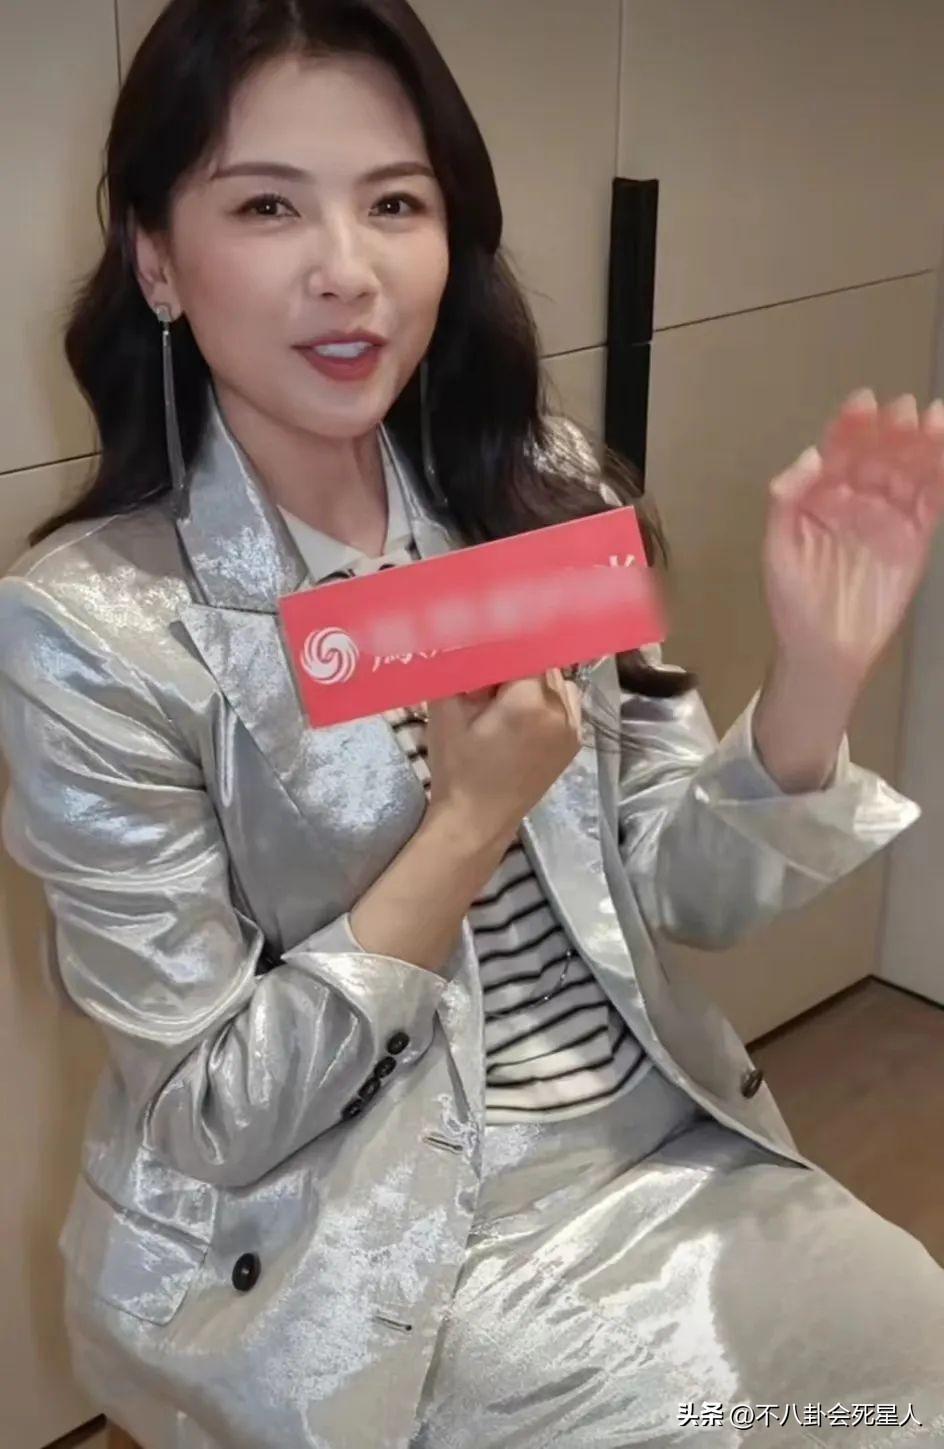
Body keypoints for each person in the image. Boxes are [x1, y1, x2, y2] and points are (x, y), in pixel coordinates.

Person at [1, 2, 943, 1446]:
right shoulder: (96, 624)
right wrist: (468, 820)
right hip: (361, 1247)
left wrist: (816, 679)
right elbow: (216, 1110)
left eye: (396, 203)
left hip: (656, 1141)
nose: (348, 270)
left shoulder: (529, 486)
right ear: (157, 260)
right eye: (266, 206)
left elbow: (679, 890)